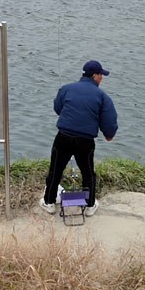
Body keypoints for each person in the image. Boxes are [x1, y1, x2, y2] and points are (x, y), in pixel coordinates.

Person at [39, 60, 118, 216]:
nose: (102, 78)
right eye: (101, 75)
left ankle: (48, 203)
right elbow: (109, 120)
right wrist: (109, 135)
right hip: (85, 141)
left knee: (55, 170)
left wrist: (70, 117)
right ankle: (89, 206)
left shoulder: (66, 88)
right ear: (95, 76)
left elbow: (58, 108)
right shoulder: (102, 96)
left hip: (63, 137)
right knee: (88, 173)